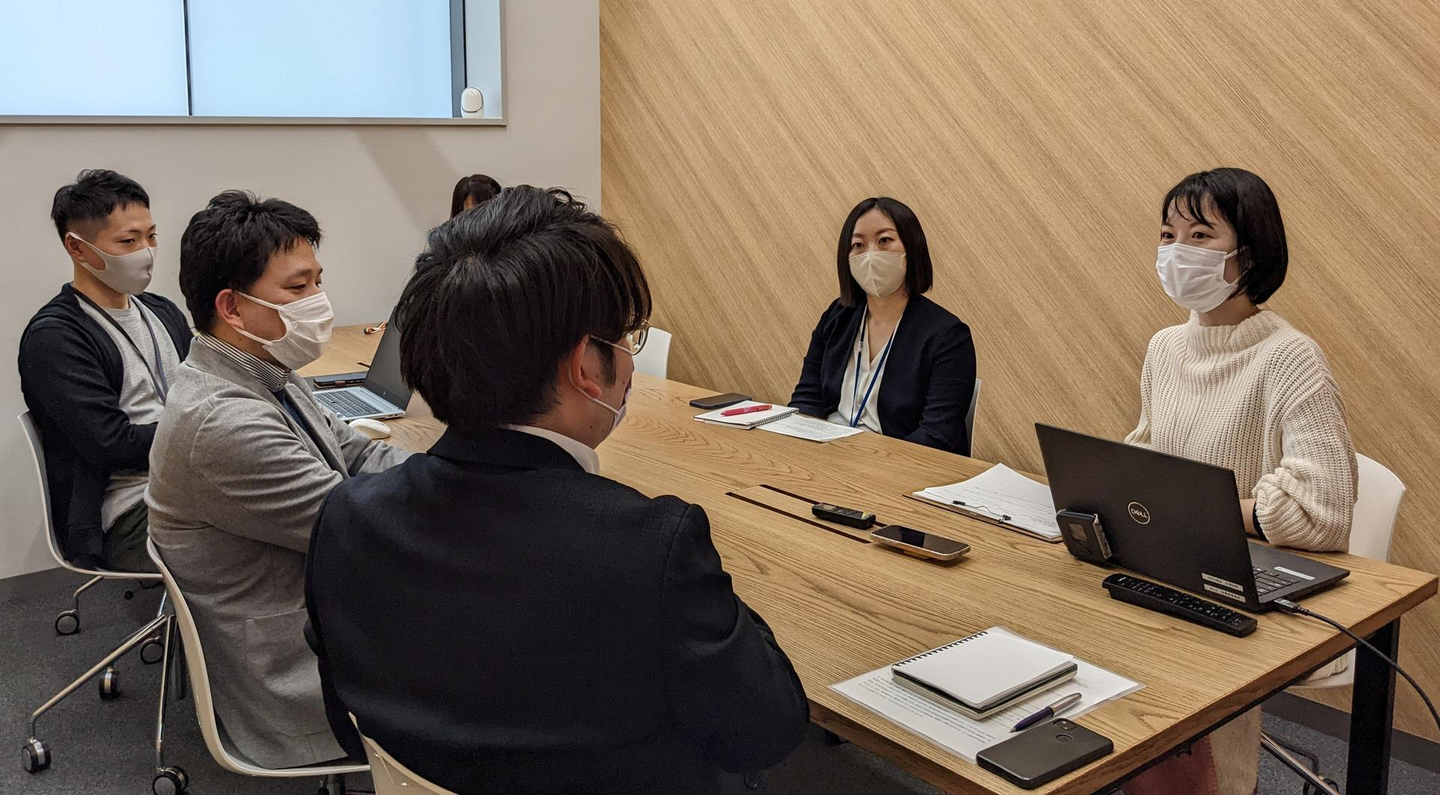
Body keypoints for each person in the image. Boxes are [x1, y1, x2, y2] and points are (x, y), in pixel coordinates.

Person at [305, 186, 809, 794]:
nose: (629, 361)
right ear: (585, 367)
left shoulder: (348, 516)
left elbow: (345, 720)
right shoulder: (651, 547)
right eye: (625, 338)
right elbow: (765, 733)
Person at [146, 190, 410, 769]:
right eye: (298, 287)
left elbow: (357, 453)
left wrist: (450, 476)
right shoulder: (221, 421)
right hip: (308, 666)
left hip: (327, 605)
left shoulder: (266, 370)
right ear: (232, 308)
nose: (319, 301)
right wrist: (473, 490)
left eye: (318, 281)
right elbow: (364, 527)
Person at [1123, 168, 1357, 795]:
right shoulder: (1166, 347)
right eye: (1168, 235)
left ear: (1247, 256)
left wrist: (1208, 507)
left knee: (1170, 659)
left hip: (1251, 576)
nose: (1177, 251)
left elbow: (1324, 511)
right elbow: (1147, 456)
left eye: (1200, 235)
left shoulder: (1291, 357)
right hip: (1173, 556)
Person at [19, 170, 191, 572]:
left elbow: (207, 390)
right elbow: (112, 446)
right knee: (273, 534)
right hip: (129, 510)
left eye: (151, 236)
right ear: (77, 248)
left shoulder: (162, 311)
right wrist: (208, 433)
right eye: (128, 241)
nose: (146, 252)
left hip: (191, 479)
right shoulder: (56, 338)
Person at [789, 197, 978, 454]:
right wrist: (799, 446)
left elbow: (937, 435)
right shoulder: (837, 317)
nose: (870, 255)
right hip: (828, 455)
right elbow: (807, 398)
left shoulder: (947, 335)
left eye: (884, 240)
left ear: (912, 247)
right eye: (858, 245)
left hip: (898, 463)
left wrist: (871, 459)